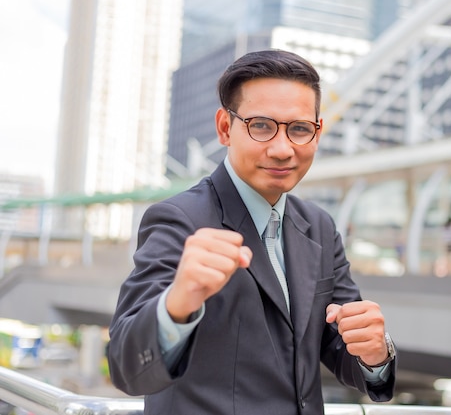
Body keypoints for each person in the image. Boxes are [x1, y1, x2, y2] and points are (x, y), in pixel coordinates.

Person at [107, 49, 396, 415]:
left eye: (300, 129)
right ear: (225, 128)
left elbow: (340, 346)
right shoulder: (179, 220)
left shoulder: (319, 226)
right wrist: (177, 303)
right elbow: (126, 366)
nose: (281, 148)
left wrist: (375, 353)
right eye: (261, 125)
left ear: (317, 133)